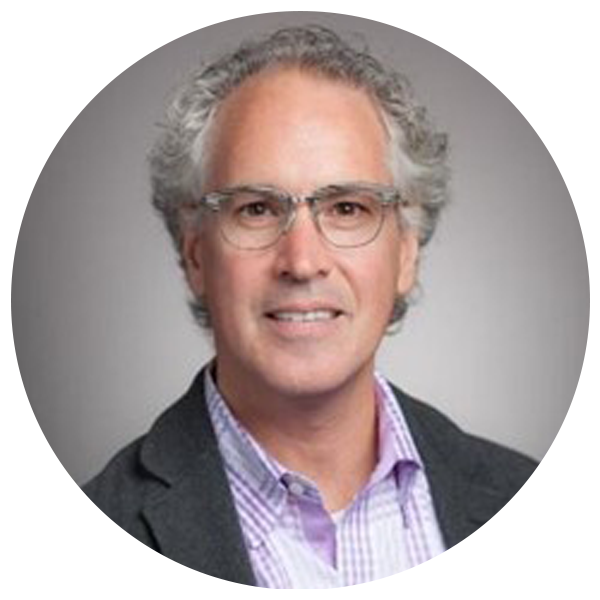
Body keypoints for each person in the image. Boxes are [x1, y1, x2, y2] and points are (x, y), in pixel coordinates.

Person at [12, 25, 588, 589]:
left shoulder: (567, 527)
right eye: (257, 209)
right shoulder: (59, 572)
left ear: (406, 254)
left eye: (347, 208)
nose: (303, 260)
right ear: (195, 256)